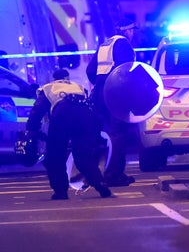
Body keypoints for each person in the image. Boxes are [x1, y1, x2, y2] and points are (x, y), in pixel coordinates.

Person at [26, 69, 112, 200]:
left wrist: (31, 131)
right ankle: (100, 184)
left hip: (62, 114)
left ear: (53, 79)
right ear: (67, 78)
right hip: (85, 115)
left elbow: (36, 112)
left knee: (55, 156)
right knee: (83, 156)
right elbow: (91, 106)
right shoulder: (78, 87)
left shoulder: (48, 88)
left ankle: (60, 192)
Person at [86, 17, 137, 187]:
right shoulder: (124, 44)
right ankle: (114, 175)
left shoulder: (105, 43)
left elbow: (90, 70)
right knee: (118, 134)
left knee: (102, 135)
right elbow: (126, 72)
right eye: (132, 30)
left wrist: (100, 83)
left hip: (100, 94)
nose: (133, 33)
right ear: (127, 30)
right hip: (116, 93)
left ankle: (93, 174)